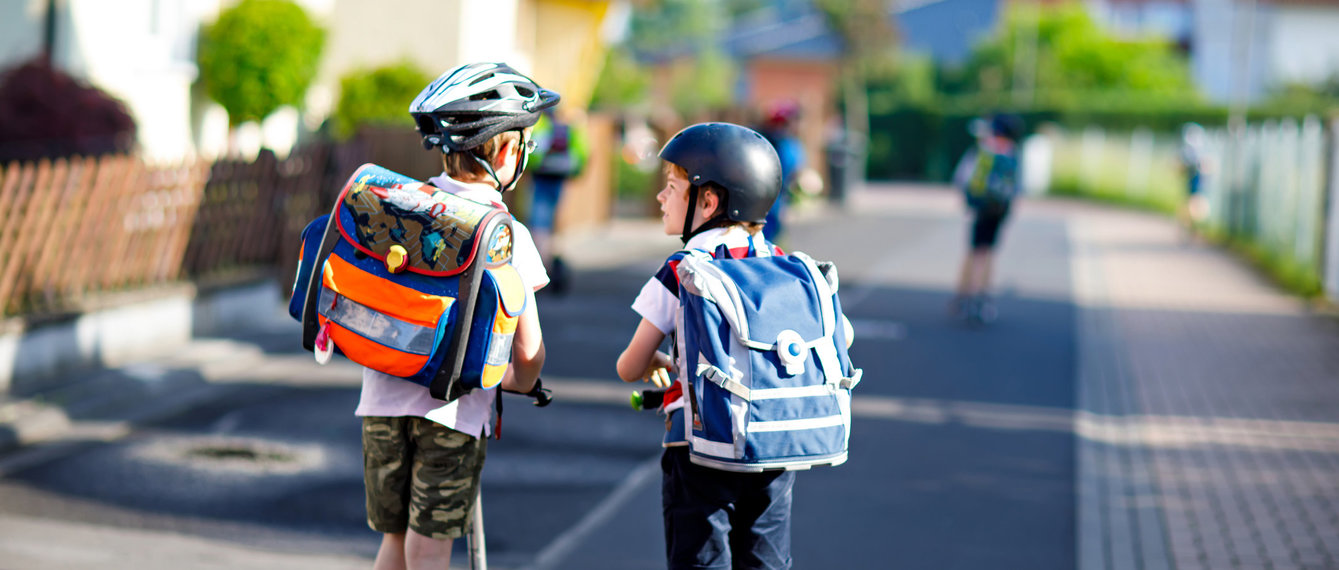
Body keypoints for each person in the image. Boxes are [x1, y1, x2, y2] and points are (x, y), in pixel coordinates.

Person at [358, 62, 554, 570]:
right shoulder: (506, 234)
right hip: (453, 413)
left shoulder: (402, 208)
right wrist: (515, 381)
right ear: (508, 151)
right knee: (430, 547)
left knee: (394, 542)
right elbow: (529, 352)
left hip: (380, 401)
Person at [615, 122, 797, 569]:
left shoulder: (684, 268)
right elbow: (840, 336)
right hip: (773, 444)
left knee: (701, 559)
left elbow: (629, 364)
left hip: (700, 445)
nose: (661, 197)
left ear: (708, 201)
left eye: (672, 187)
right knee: (766, 559)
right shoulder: (782, 264)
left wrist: (656, 361)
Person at [950, 112, 1025, 323]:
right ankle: (983, 295)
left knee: (975, 250)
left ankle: (967, 295)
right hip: (1000, 209)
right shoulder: (1012, 152)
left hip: (980, 207)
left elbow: (961, 176)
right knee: (988, 251)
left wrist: (967, 198)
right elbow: (1018, 186)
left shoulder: (984, 149)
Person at [526, 107, 587, 293]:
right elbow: (582, 154)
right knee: (554, 223)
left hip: (541, 177)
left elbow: (532, 153)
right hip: (560, 177)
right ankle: (553, 260)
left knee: (539, 223)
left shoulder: (541, 127)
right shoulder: (569, 128)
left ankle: (542, 268)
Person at [756, 101, 806, 245]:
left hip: (778, 199)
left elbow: (795, 172)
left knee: (771, 237)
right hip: (766, 199)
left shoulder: (792, 145)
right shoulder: (776, 143)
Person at [1178, 122, 1210, 242]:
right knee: (1191, 208)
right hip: (1192, 185)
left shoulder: (1202, 153)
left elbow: (1209, 167)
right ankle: (1191, 229)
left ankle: (1194, 229)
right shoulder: (1187, 153)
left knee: (1196, 208)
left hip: (1199, 185)